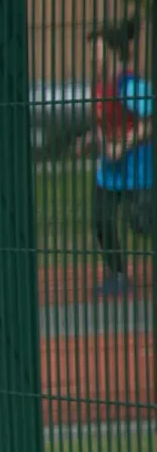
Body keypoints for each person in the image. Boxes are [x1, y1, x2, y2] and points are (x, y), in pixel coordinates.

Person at [87, 17, 152, 297]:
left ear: (112, 53)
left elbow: (149, 122)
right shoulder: (100, 88)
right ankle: (118, 273)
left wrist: (122, 145)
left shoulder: (131, 85)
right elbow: (105, 124)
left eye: (97, 51)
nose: (93, 58)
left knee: (143, 224)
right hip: (109, 173)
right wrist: (92, 140)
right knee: (101, 219)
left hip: (138, 172)